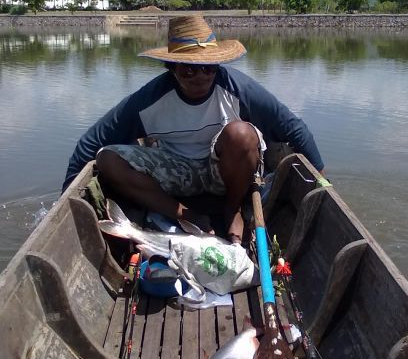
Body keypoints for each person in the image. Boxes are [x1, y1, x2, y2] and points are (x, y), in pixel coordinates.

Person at [63, 14, 325, 244]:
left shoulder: (239, 90)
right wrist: (64, 201)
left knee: (242, 134)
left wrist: (323, 186)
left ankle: (232, 210)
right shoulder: (149, 101)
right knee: (108, 159)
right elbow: (90, 143)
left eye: (207, 68)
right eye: (189, 69)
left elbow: (293, 129)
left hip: (226, 173)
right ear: (172, 68)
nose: (200, 76)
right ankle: (185, 214)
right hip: (177, 172)